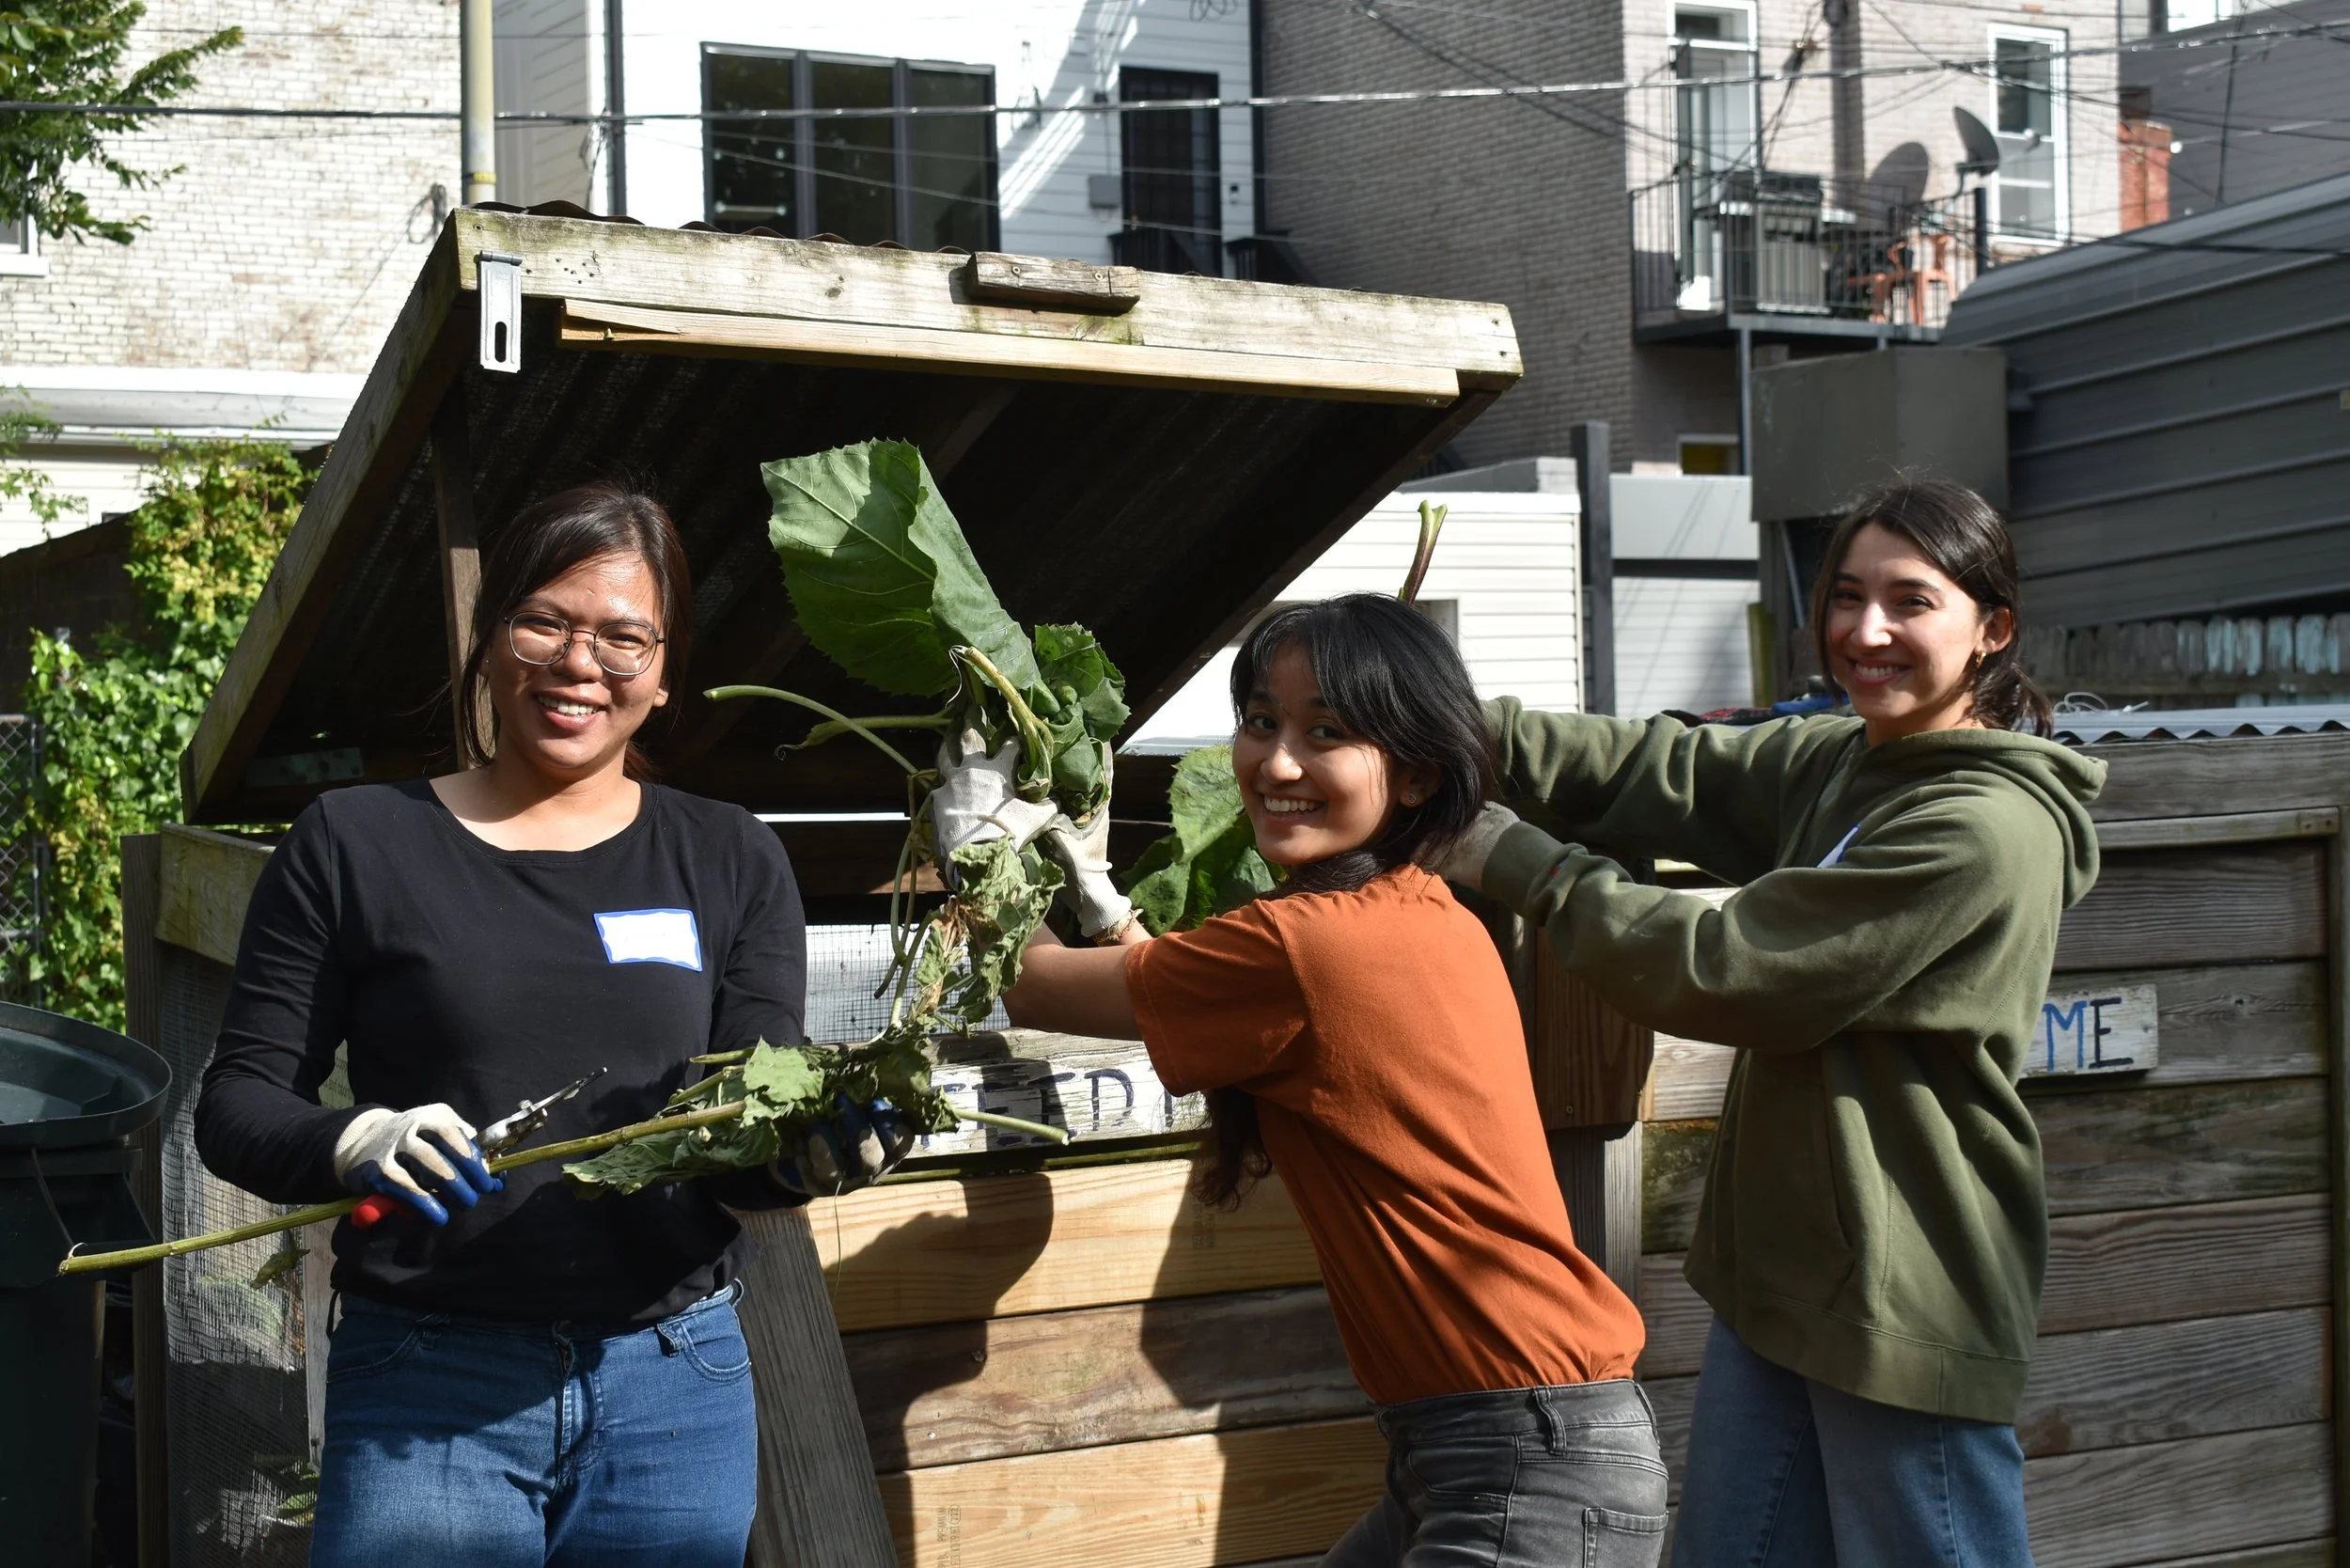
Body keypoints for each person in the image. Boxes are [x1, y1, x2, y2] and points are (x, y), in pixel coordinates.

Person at [195, 482, 908, 1567]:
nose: (582, 664)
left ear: (663, 676)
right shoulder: (354, 842)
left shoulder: (728, 857)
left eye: (625, 639)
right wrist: (356, 1140)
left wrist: (809, 1158)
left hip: (675, 1382)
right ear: (490, 640)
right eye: (546, 623)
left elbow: (738, 1150)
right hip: (431, 1376)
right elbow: (237, 1108)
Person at [1441, 478, 2104, 1566]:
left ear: (1992, 630)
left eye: (1909, 601)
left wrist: (1512, 859)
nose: (1866, 631)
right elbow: (1657, 770)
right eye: (1845, 596)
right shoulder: (1846, 760)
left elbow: (1732, 970)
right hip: (1783, 1279)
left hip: (1902, 1289)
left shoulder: (1983, 828)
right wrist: (1444, 723)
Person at [999, 592, 1668, 1568]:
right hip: (1496, 1444)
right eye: (1261, 722)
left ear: (1416, 773)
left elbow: (1030, 987)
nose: (1275, 764)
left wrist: (972, 854)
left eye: (1328, 734)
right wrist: (1104, 905)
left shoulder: (1311, 947)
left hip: (1524, 1457)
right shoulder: (1427, 914)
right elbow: (1194, 990)